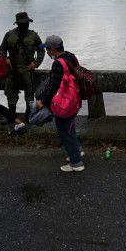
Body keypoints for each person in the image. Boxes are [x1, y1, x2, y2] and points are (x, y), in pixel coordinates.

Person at [36, 35, 84, 172]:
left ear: (52, 49)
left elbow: (54, 87)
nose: (46, 53)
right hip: (74, 99)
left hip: (64, 102)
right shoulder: (71, 56)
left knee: (65, 131)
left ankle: (76, 163)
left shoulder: (58, 63)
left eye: (47, 50)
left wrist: (43, 102)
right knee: (70, 128)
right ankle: (77, 151)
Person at [0, 12, 44, 128]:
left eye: (27, 23)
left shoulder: (34, 36)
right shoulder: (9, 35)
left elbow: (41, 49)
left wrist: (36, 63)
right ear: (18, 23)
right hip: (12, 69)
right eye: (23, 23)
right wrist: (5, 59)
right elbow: (2, 48)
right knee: (11, 93)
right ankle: (11, 115)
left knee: (29, 94)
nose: (26, 25)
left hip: (27, 69)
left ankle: (29, 114)